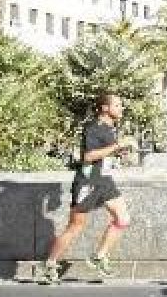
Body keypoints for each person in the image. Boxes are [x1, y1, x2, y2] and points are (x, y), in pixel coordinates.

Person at [34, 93, 137, 284]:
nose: (121, 108)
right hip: (88, 183)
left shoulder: (109, 128)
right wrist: (117, 146)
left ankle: (99, 257)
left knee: (123, 218)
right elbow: (88, 157)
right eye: (117, 105)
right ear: (105, 108)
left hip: (104, 181)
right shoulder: (93, 128)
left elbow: (105, 153)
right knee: (75, 226)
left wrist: (120, 152)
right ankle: (49, 265)